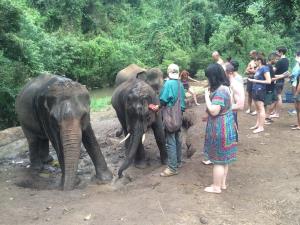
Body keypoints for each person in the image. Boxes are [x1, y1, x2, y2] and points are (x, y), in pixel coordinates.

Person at [203, 63, 237, 194]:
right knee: (224, 159)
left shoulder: (219, 91)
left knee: (217, 160)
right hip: (227, 125)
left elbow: (213, 111)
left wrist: (206, 96)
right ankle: (222, 184)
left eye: (208, 77)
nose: (207, 80)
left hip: (220, 128)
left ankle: (216, 187)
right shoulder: (226, 88)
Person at [158, 64, 186, 177]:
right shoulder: (180, 84)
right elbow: (183, 104)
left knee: (170, 141)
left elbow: (163, 100)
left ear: (168, 73)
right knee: (177, 138)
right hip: (179, 116)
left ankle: (172, 168)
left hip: (170, 117)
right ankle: (178, 162)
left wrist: (157, 107)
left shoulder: (168, 83)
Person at [247, 54, 271, 133]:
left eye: (255, 61)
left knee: (261, 108)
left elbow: (268, 81)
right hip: (255, 90)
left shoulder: (264, 68)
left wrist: (255, 81)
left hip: (260, 90)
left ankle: (261, 127)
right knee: (257, 109)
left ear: (259, 61)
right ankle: (257, 124)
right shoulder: (258, 68)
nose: (254, 62)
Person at [225, 63, 245, 141]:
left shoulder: (236, 85)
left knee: (231, 136)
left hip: (231, 112)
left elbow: (241, 105)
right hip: (229, 113)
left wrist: (223, 108)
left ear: (229, 73)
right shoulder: (229, 84)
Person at [270, 46, 289, 118]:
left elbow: (273, 70)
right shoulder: (286, 60)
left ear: (281, 52)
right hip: (282, 79)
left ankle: (277, 113)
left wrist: (270, 67)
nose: (276, 53)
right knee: (277, 96)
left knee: (278, 96)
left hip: (277, 79)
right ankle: (275, 112)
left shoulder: (280, 61)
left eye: (277, 52)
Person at [245, 50, 258, 115]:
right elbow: (246, 71)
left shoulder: (259, 61)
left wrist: (251, 70)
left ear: (254, 54)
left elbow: (258, 71)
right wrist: (251, 70)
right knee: (249, 94)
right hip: (250, 78)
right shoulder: (251, 62)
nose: (250, 56)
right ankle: (249, 108)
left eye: (251, 55)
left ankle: (256, 109)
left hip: (256, 79)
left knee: (255, 94)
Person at [288, 51, 300, 116]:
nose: (294, 56)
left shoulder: (298, 63)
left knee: (296, 97)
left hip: (296, 82)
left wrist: (289, 75)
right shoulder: (297, 63)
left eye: (295, 55)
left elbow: (295, 73)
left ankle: (296, 110)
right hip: (295, 81)